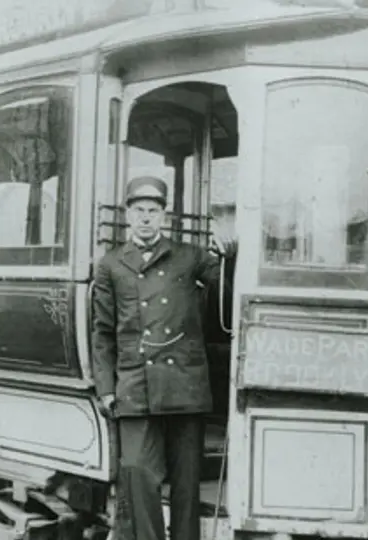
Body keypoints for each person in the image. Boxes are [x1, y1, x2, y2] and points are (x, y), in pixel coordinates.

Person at [92, 176, 224, 540]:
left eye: (153, 210)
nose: (146, 218)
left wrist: (232, 256)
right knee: (137, 476)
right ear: (128, 215)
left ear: (164, 216)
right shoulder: (111, 264)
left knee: (186, 486)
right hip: (136, 386)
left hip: (184, 385)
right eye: (139, 211)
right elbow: (103, 331)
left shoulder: (190, 257)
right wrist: (106, 389)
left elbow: (226, 291)